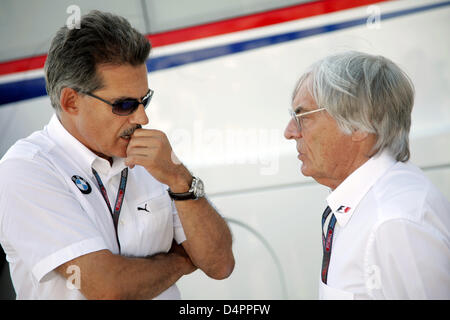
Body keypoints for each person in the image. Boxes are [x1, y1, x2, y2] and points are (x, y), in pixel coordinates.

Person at [0, 10, 234, 300]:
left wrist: (180, 179)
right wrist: (183, 259)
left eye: (144, 99)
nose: (142, 117)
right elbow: (109, 288)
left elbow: (220, 264)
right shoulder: (26, 169)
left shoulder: (154, 158)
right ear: (71, 101)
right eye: (124, 104)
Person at [284, 51, 450, 299]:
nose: (289, 132)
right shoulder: (370, 202)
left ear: (359, 125)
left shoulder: (393, 222)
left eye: (303, 117)